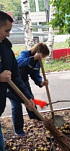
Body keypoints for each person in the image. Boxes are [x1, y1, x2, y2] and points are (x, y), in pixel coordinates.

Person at [0, 11, 34, 150]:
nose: (8, 34)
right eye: (6, 30)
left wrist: (28, 97)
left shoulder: (6, 49)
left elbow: (16, 77)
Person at [6, 43, 49, 136]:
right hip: (11, 82)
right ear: (38, 52)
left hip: (24, 82)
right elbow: (18, 62)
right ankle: (19, 130)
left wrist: (41, 82)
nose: (42, 58)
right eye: (43, 56)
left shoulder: (37, 62)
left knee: (30, 100)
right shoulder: (25, 54)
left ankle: (36, 119)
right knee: (16, 105)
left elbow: (35, 75)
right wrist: (32, 58)